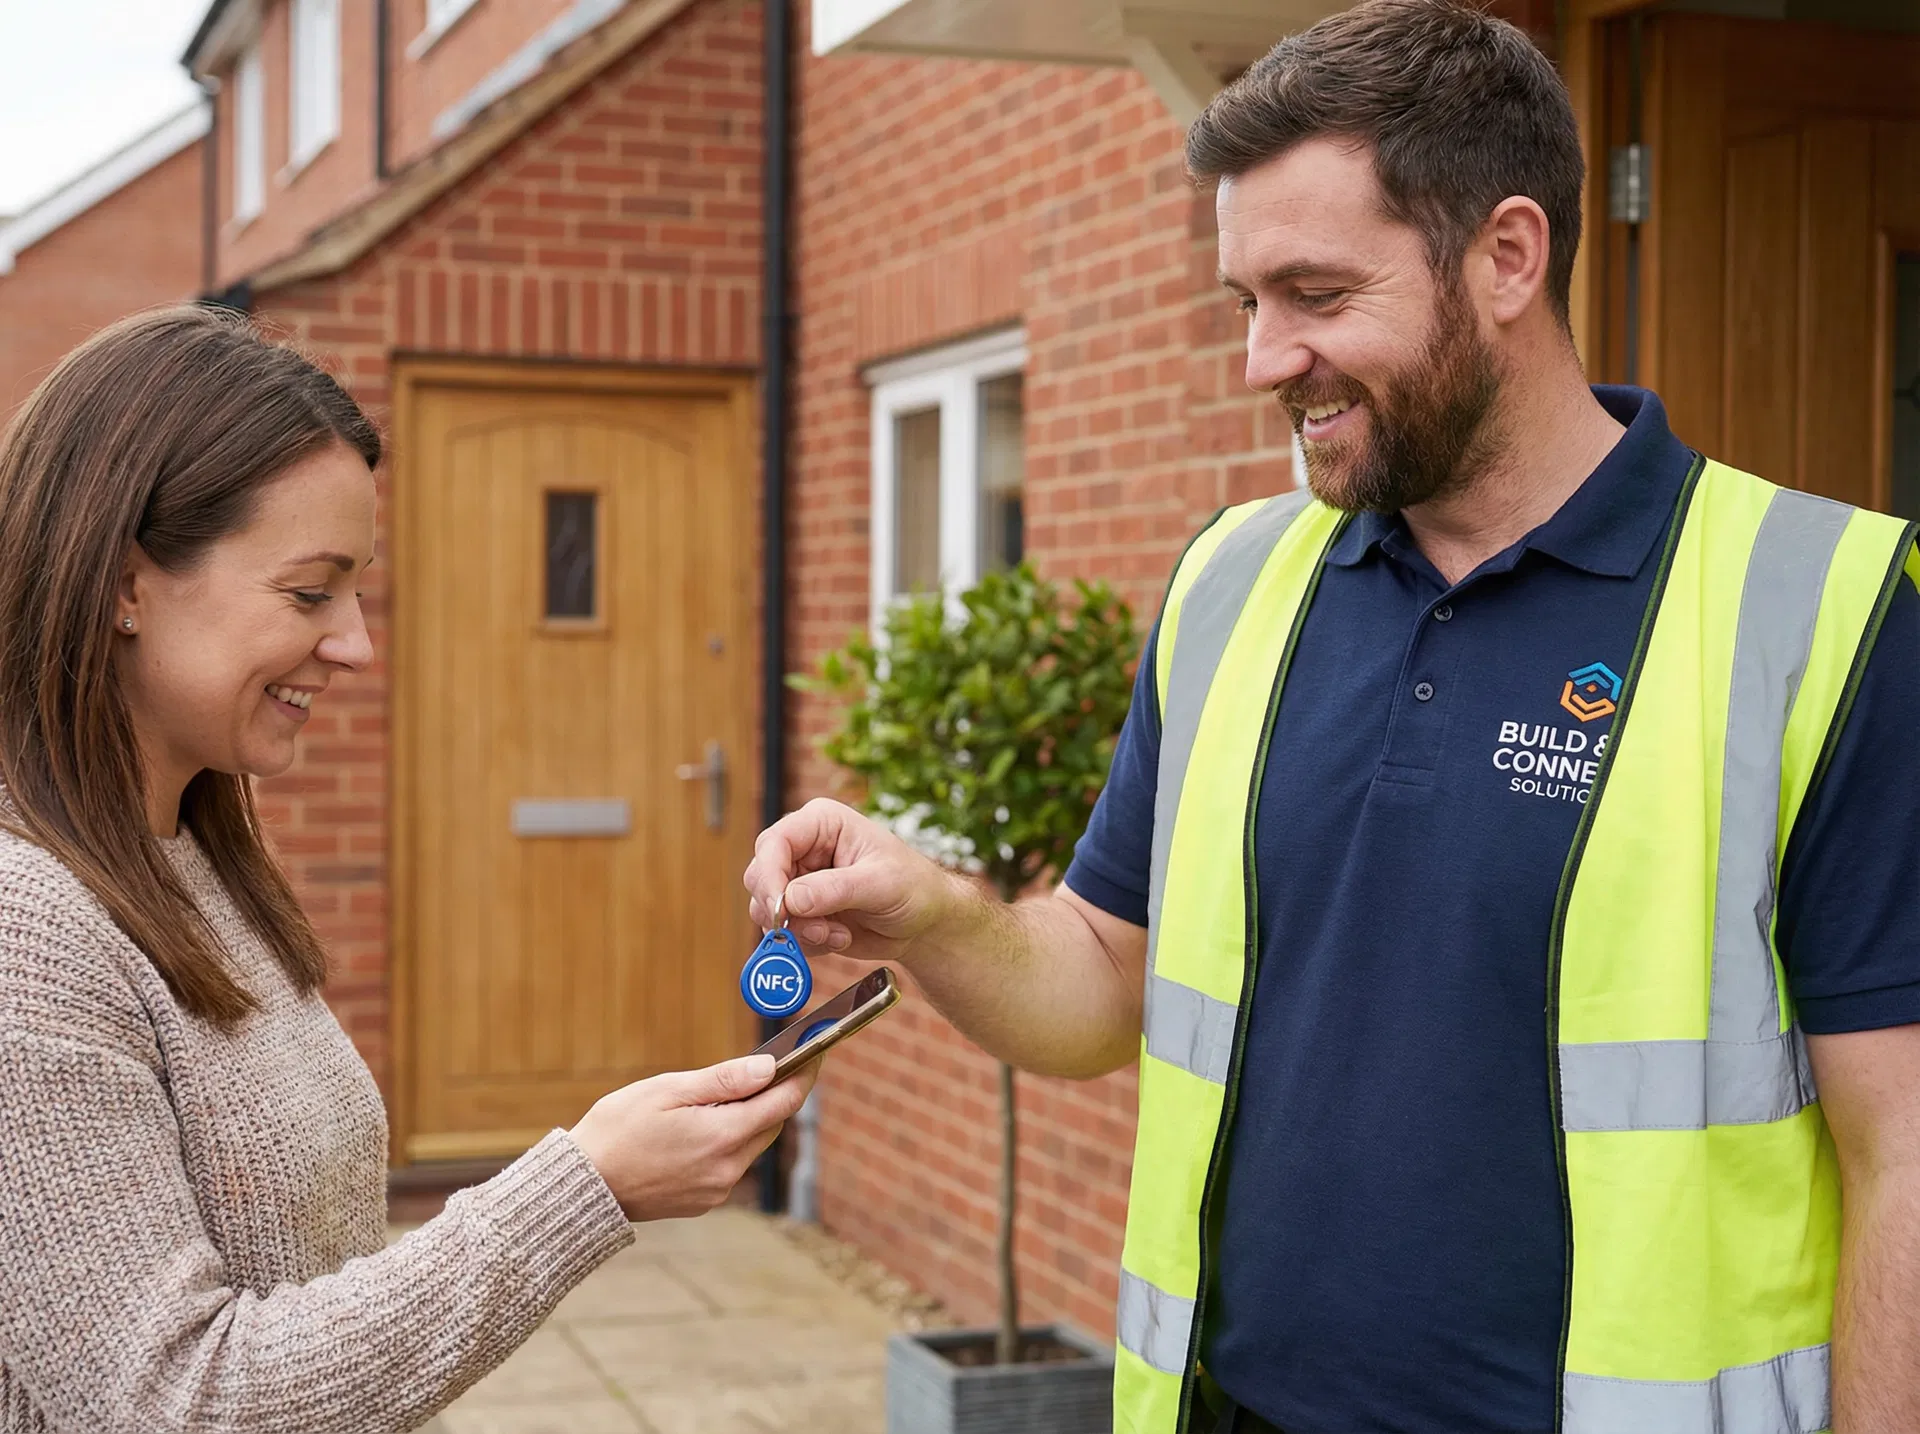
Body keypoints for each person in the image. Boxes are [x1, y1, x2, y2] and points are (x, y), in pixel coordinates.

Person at [743, 3, 1920, 1432]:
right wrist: (929, 909)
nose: (1263, 358)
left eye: (1314, 293)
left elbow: (1899, 1143)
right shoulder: (1232, 584)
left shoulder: (1822, 608)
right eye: (1246, 301)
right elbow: (1107, 975)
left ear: (1505, 256)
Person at [0, 305, 814, 1434]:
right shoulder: (29, 937)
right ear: (125, 585)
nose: (354, 643)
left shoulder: (196, 857)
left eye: (357, 588)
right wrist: (583, 1188)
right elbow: (173, 1402)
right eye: (308, 591)